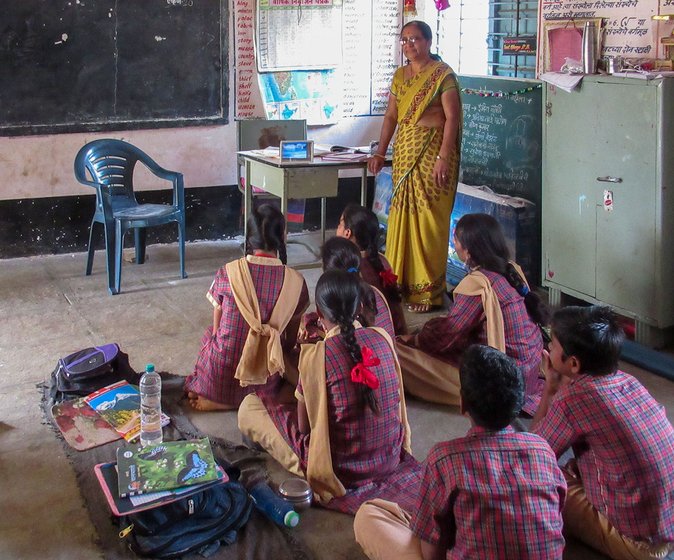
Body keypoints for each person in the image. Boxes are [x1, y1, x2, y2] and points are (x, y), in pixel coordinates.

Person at [354, 344, 566, 560]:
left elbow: (431, 556)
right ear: (518, 402)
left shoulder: (445, 459)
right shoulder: (543, 450)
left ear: (463, 403)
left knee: (368, 516)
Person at [238, 270, 422, 514]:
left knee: (250, 406)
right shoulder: (383, 338)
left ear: (321, 315)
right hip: (388, 459)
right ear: (358, 309)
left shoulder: (316, 356)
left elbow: (304, 429)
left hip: (340, 472)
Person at [532, 306, 674, 560]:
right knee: (574, 465)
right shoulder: (629, 381)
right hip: (668, 522)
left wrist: (550, 388)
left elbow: (532, 456)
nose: (549, 350)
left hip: (641, 545)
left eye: (552, 345)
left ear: (573, 363)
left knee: (539, 484)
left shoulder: (573, 399)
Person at [397, 213, 548, 415]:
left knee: (398, 354)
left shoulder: (479, 284)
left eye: (456, 238)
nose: (453, 242)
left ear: (467, 250)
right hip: (531, 372)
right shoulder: (513, 270)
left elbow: (445, 336)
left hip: (504, 384)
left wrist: (415, 339)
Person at [368, 20, 462, 313]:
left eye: (415, 39)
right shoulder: (399, 76)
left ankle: (426, 292)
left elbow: (452, 119)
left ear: (429, 42)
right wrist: (381, 152)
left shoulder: (443, 75)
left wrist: (443, 157)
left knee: (429, 221)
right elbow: (391, 117)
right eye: (404, 40)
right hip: (405, 154)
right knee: (402, 219)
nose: (409, 45)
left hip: (433, 153)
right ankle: (398, 285)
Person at [184, 204, 309, 411]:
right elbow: (288, 343)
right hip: (265, 381)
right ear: (283, 237)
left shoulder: (228, 272)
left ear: (249, 237)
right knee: (290, 356)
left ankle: (222, 399)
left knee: (209, 336)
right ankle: (251, 401)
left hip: (218, 379)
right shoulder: (296, 282)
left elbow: (217, 333)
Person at [336, 204, 407, 335]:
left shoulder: (348, 268)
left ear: (347, 233)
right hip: (394, 333)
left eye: (340, 224)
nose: (338, 228)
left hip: (370, 338)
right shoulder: (381, 260)